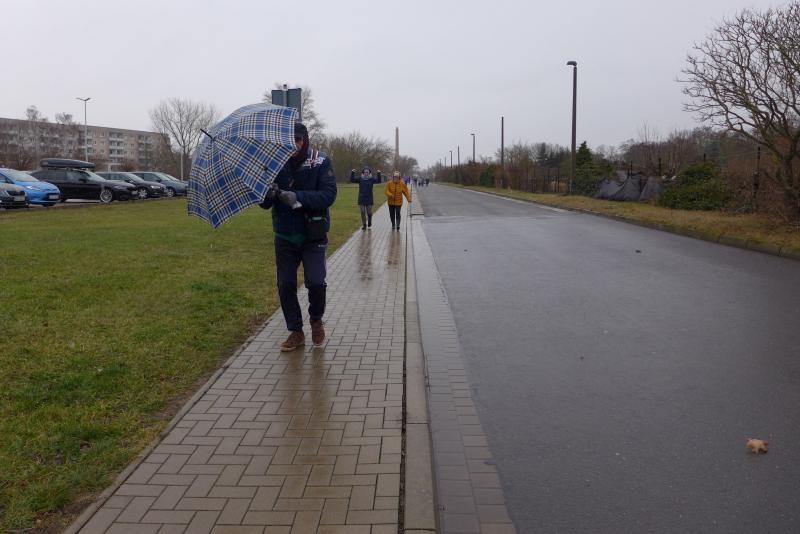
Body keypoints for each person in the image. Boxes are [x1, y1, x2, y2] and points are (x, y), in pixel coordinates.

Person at [259, 122, 337, 351]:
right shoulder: (272, 163)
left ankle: (316, 320)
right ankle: (295, 331)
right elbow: (264, 204)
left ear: (305, 140)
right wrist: (268, 193)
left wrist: (297, 196)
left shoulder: (320, 161)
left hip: (313, 234)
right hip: (284, 235)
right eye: (289, 140)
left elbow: (328, 195)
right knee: (285, 284)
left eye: (298, 140)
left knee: (316, 282)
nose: (293, 145)